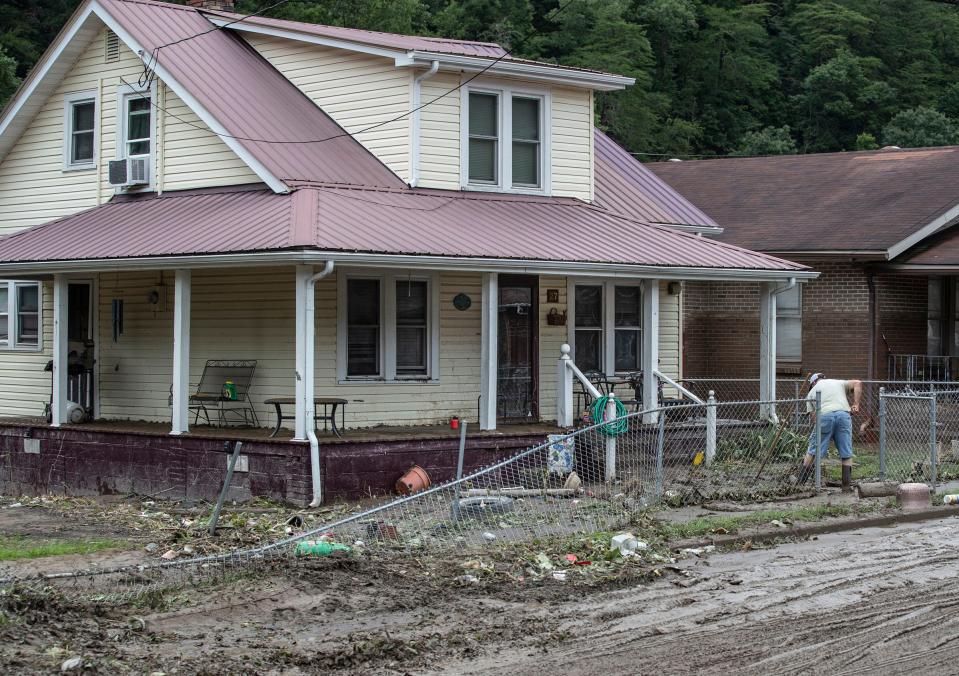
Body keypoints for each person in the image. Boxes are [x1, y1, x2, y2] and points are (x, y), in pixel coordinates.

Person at [797, 373, 862, 492]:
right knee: (846, 451)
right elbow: (858, 383)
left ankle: (800, 484)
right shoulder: (838, 382)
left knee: (812, 449)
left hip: (824, 416)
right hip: (844, 415)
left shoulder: (811, 393)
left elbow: (814, 417)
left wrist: (824, 432)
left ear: (813, 383)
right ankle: (846, 486)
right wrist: (856, 404)